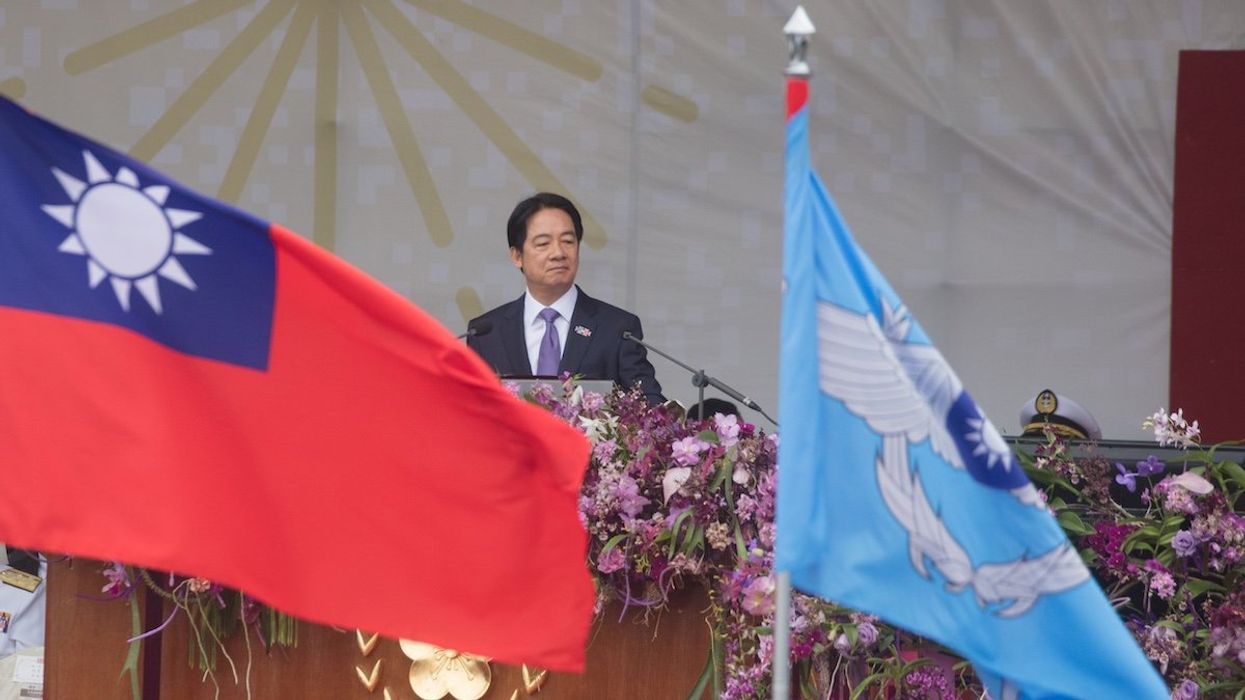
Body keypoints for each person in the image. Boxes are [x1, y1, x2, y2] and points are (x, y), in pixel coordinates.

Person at [467, 193, 664, 404]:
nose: (558, 253)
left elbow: (650, 406)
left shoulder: (617, 328)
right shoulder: (486, 333)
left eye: (568, 241)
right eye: (543, 244)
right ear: (517, 256)